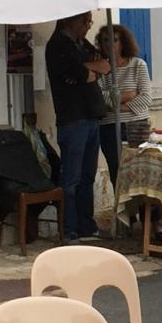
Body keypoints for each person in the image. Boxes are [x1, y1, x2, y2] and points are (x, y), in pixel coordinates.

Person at [47, 12, 111, 242]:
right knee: (71, 176)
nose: (87, 26)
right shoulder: (57, 46)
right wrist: (88, 69)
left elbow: (104, 66)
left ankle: (87, 224)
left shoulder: (81, 43)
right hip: (73, 118)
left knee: (87, 174)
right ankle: (70, 228)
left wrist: (89, 67)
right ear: (69, 20)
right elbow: (81, 73)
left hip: (92, 115)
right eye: (85, 21)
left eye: (89, 22)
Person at [95, 23, 152, 194]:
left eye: (114, 40)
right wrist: (128, 95)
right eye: (105, 40)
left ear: (123, 42)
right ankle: (125, 215)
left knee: (141, 170)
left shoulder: (138, 65)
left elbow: (146, 98)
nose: (109, 44)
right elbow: (101, 99)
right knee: (117, 170)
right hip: (110, 127)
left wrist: (117, 105)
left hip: (137, 125)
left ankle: (146, 215)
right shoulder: (101, 69)